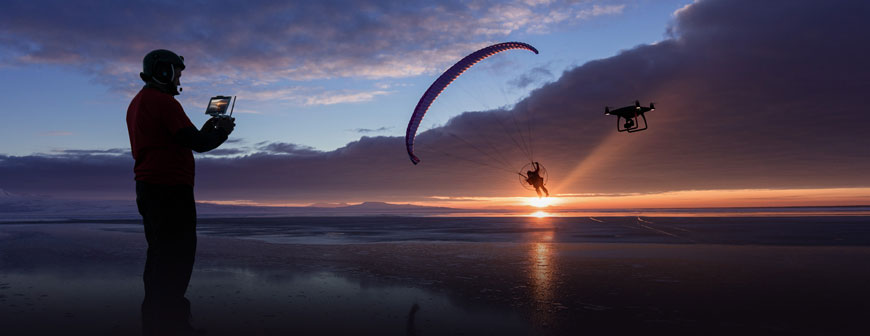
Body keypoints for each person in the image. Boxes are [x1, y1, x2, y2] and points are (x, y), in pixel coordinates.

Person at [126, 49, 235, 335]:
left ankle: (155, 322)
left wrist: (207, 131)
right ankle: (172, 325)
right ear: (163, 71)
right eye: (178, 72)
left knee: (160, 256)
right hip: (169, 190)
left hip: (149, 189)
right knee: (176, 258)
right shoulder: (163, 102)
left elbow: (185, 138)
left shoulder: (139, 102)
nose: (179, 78)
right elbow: (198, 143)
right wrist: (222, 131)